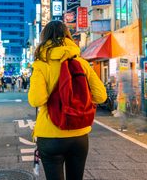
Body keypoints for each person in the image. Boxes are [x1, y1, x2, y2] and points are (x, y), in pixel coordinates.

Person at [28, 21, 107, 180]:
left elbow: (36, 100)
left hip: (50, 135)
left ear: (45, 38)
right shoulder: (82, 63)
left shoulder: (41, 64)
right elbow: (101, 96)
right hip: (79, 134)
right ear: (68, 37)